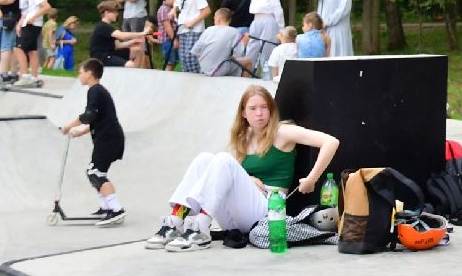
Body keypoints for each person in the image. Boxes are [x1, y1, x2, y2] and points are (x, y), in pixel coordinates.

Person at [145, 84, 340, 252]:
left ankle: (200, 228)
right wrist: (247, 179)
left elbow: (331, 142)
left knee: (222, 159)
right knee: (204, 159)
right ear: (243, 113)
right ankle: (175, 221)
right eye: (253, 108)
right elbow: (227, 177)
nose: (259, 113)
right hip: (235, 218)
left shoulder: (282, 132)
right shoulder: (243, 137)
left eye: (264, 107)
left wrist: (312, 178)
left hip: (267, 210)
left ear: (271, 110)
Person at [60, 59, 129, 227]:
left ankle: (116, 209)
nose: (79, 75)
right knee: (98, 172)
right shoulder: (97, 91)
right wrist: (80, 132)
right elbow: (98, 118)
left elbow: (89, 115)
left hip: (109, 138)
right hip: (109, 137)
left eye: (81, 72)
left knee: (95, 172)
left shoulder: (95, 91)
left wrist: (69, 125)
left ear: (89, 73)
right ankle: (106, 207)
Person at [245, 0, 284, 71]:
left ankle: (269, 76)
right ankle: (247, 73)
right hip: (256, 20)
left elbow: (278, 10)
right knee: (251, 47)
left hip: (268, 20)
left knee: (267, 48)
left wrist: (281, 29)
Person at [91, 1, 152, 68]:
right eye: (114, 12)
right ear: (106, 13)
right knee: (130, 64)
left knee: (137, 51)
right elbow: (122, 36)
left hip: (112, 53)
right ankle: (129, 74)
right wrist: (142, 33)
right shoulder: (102, 26)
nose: (117, 14)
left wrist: (133, 41)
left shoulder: (108, 27)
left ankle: (134, 75)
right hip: (103, 57)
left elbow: (118, 45)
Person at [16, 0, 52, 86]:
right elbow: (24, 13)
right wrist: (19, 24)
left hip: (33, 24)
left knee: (19, 48)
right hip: (25, 24)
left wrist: (34, 17)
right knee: (32, 51)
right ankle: (34, 77)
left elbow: (47, 7)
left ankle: (24, 75)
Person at [171, 0, 210, 73]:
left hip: (194, 29)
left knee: (191, 56)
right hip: (182, 29)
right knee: (183, 58)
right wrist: (173, 10)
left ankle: (197, 76)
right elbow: (177, 4)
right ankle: (187, 79)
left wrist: (193, 22)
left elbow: (207, 11)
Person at [191, 7, 247, 77]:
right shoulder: (234, 32)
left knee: (230, 62)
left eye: (214, 19)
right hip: (218, 70)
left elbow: (195, 51)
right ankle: (240, 85)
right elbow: (239, 53)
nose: (214, 21)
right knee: (247, 62)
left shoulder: (208, 30)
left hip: (204, 69)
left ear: (218, 20)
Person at [155, 0, 177, 70]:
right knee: (170, 62)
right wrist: (174, 40)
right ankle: (166, 78)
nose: (174, 1)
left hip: (170, 39)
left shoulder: (171, 9)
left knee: (173, 61)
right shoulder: (164, 9)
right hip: (167, 39)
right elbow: (167, 26)